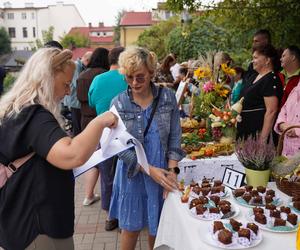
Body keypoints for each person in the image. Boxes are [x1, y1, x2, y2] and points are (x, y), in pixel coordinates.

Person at [0, 48, 118, 250]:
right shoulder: (35, 115)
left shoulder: (16, 110)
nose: (68, 91)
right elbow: (72, 155)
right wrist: (100, 122)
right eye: (65, 84)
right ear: (48, 76)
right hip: (39, 226)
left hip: (19, 221)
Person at [109, 46, 185, 250]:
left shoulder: (168, 97)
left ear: (151, 73)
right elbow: (116, 147)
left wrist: (172, 171)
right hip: (132, 174)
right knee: (130, 229)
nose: (134, 83)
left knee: (158, 227)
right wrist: (149, 169)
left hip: (162, 173)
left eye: (140, 77)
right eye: (129, 77)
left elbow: (175, 138)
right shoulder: (119, 103)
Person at [88, 46, 127, 231]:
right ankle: (126, 214)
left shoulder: (98, 79)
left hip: (104, 133)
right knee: (127, 173)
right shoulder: (128, 77)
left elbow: (91, 101)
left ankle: (110, 216)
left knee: (107, 175)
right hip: (127, 133)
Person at [77, 47, 109, 206]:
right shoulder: (103, 76)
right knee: (106, 159)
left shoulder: (82, 75)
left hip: (85, 120)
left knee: (91, 159)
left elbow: (80, 99)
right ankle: (107, 196)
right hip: (101, 121)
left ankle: (88, 195)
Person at [237, 44, 283, 141]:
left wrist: (262, 139)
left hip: (258, 134)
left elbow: (271, 111)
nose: (252, 61)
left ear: (267, 60)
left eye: (255, 58)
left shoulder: (271, 79)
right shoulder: (253, 76)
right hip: (245, 132)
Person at [64, 51, 92, 136]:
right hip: (74, 102)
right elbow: (78, 84)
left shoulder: (80, 66)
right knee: (77, 128)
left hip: (75, 101)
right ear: (87, 60)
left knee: (78, 126)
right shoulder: (76, 66)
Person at [274, 80, 300, 157]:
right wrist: (282, 124)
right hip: (287, 151)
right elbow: (284, 110)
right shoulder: (295, 90)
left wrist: (297, 130)